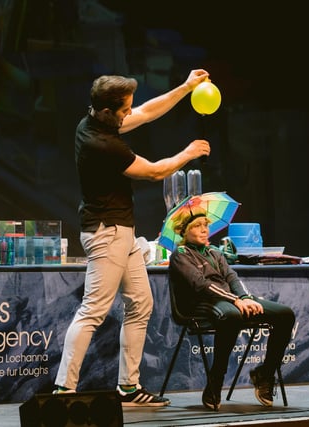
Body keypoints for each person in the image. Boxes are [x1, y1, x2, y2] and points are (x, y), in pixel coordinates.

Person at [53, 69, 211, 407]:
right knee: (93, 310)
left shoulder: (95, 121)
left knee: (141, 303)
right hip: (107, 233)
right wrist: (188, 154)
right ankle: (63, 390)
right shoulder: (102, 143)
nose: (130, 112)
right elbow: (154, 171)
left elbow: (148, 112)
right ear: (108, 111)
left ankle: (128, 388)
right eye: (125, 109)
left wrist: (185, 87)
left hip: (121, 233)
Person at [168, 211, 296, 410]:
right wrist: (236, 300)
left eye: (206, 225)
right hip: (201, 304)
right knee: (231, 316)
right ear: (184, 231)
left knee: (285, 314)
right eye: (197, 226)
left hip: (230, 299)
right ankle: (215, 381)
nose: (204, 230)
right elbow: (202, 285)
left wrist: (244, 298)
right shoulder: (181, 255)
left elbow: (232, 278)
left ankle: (265, 374)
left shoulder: (214, 253)